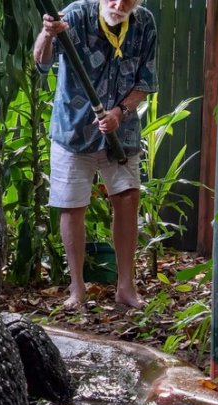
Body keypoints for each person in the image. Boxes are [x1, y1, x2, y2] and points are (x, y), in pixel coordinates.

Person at [33, 0, 157, 309]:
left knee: (128, 198)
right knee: (72, 205)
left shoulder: (144, 24)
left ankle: (126, 288)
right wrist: (48, 35)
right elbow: (41, 62)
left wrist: (119, 112)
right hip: (73, 130)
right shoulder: (75, 15)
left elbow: (145, 82)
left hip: (120, 130)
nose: (118, 5)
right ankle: (77, 290)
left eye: (127, 0)